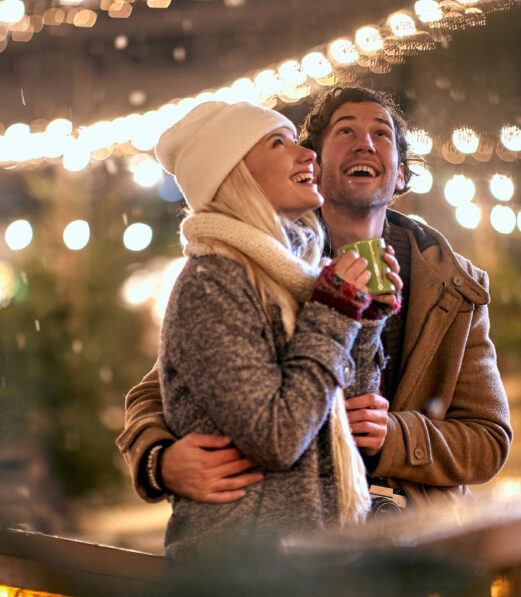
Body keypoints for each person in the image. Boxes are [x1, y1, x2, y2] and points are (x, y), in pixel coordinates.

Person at [118, 86, 510, 511]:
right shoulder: (263, 265)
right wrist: (159, 461)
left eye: (381, 135)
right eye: (345, 132)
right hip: (299, 536)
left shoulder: (453, 286)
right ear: (315, 167)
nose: (365, 143)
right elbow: (164, 389)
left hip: (415, 535)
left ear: (399, 173)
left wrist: (395, 437)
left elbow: (489, 439)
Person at [150, 100, 401, 560]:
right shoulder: (211, 285)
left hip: (312, 566)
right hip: (246, 578)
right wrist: (336, 312)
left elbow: (338, 415)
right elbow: (279, 438)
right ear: (235, 176)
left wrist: (364, 322)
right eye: (279, 143)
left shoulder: (296, 274)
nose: (307, 154)